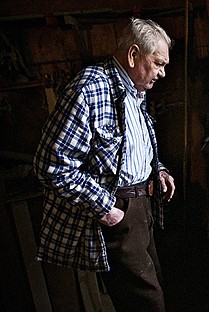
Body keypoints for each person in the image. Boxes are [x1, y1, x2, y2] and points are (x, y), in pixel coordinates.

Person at [33, 17, 175, 311]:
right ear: (134, 55)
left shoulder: (134, 91)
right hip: (119, 211)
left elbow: (127, 148)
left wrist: (156, 169)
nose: (162, 73)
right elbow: (52, 164)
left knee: (155, 291)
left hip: (141, 208)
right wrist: (106, 210)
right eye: (158, 63)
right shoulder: (90, 88)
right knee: (147, 304)